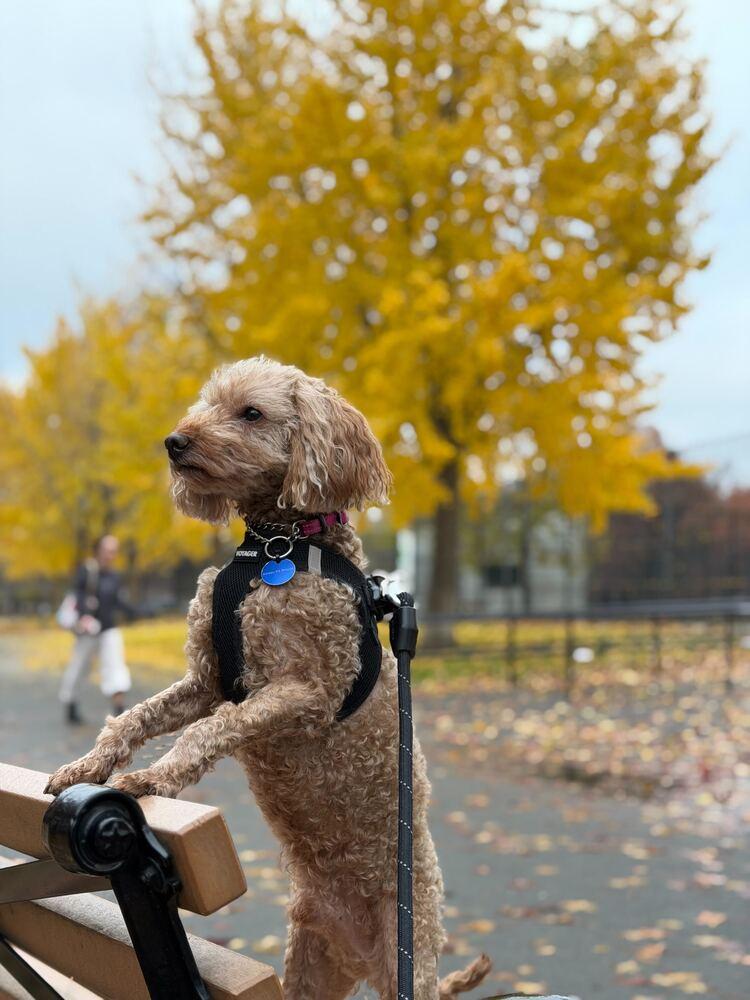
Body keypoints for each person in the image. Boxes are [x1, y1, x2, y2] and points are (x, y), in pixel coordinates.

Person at [58, 535, 134, 724]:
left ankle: (119, 710)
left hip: (108, 629)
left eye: (114, 551)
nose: (111, 554)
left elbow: (117, 602)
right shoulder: (87, 571)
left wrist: (139, 611)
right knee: (80, 668)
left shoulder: (115, 576)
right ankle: (71, 703)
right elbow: (79, 594)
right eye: (108, 550)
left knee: (115, 667)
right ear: (98, 550)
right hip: (88, 631)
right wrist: (84, 616)